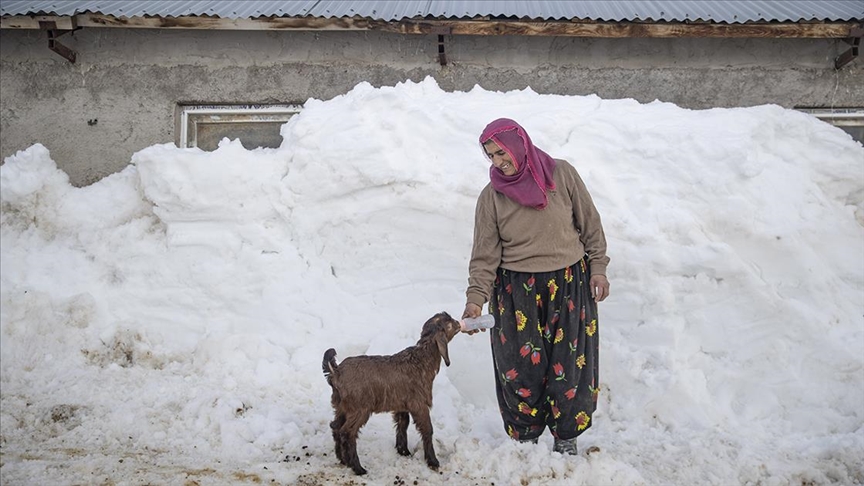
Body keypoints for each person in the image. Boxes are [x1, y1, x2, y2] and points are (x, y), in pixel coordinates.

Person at [463, 118, 610, 455]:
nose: (498, 161)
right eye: (490, 156)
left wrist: (598, 269)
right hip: (516, 292)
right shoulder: (492, 197)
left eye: (501, 152)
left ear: (518, 144)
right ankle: (526, 441)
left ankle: (566, 438)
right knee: (519, 368)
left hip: (569, 284)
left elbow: (591, 227)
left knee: (571, 367)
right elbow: (484, 255)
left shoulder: (562, 175)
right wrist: (475, 300)